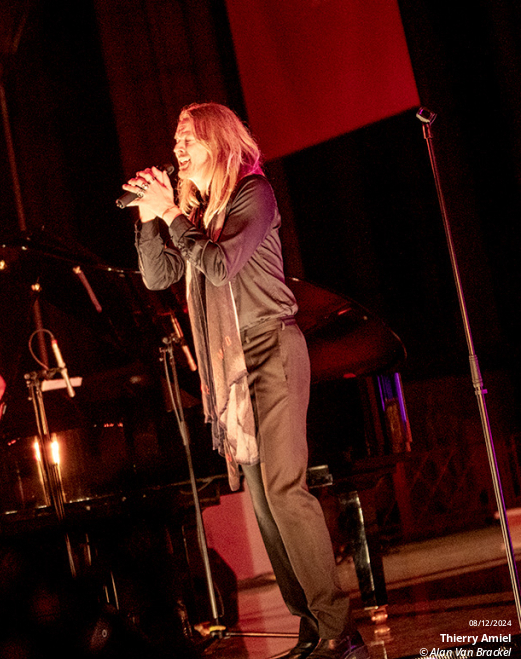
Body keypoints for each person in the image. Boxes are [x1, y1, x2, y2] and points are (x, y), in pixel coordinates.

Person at [124, 102, 367, 659]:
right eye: (176, 137)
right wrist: (150, 218)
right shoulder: (200, 211)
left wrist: (175, 217)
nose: (178, 148)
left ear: (218, 141)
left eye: (188, 137)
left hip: (271, 347)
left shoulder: (253, 194)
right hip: (231, 364)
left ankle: (339, 628)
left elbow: (217, 265)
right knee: (262, 501)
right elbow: (160, 274)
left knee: (284, 489)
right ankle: (310, 623)